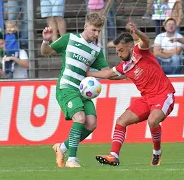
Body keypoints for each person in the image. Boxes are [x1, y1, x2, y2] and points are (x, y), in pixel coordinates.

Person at [86, 19, 176, 166]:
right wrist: (87, 74)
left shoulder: (139, 51)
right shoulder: (125, 66)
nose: (119, 54)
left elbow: (146, 41)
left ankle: (157, 153)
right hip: (146, 99)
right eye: (117, 52)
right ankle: (113, 156)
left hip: (163, 94)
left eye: (121, 50)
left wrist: (138, 32)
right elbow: (109, 74)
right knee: (121, 121)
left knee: (152, 121)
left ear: (129, 46)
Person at [41, 13, 110, 168]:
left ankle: (62, 147)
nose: (96, 34)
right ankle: (72, 159)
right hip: (66, 87)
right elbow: (45, 52)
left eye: (99, 31)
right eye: (94, 30)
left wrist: (124, 72)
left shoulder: (96, 51)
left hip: (83, 91)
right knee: (80, 118)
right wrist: (45, 40)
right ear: (85, 26)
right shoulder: (69, 39)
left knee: (91, 124)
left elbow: (106, 72)